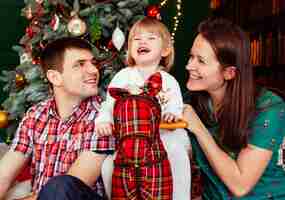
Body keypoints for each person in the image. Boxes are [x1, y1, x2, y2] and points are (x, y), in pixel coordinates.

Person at [0, 37, 114, 200]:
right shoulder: (36, 115)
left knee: (60, 186)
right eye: (80, 64)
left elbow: (68, 190)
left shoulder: (103, 118)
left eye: (93, 63)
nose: (94, 70)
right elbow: (4, 175)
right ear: (55, 77)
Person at [183, 17, 285, 199]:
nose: (189, 65)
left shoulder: (270, 109)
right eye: (191, 56)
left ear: (229, 73)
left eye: (201, 61)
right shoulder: (191, 102)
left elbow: (240, 185)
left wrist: (198, 129)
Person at [95, 17, 191, 200]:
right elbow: (109, 104)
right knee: (108, 164)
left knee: (177, 154)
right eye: (137, 39)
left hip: (162, 139)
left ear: (165, 50)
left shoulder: (168, 81)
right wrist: (104, 120)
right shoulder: (123, 77)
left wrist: (172, 113)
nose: (143, 42)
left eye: (151, 38)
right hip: (131, 143)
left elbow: (176, 105)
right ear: (130, 49)